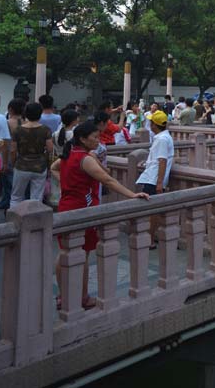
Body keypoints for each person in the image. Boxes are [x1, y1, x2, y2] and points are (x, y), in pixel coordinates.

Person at [52, 121, 149, 310]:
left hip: (66, 206)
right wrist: (132, 194)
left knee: (64, 252)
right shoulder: (85, 159)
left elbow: (54, 168)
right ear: (82, 139)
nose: (98, 140)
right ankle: (83, 297)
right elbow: (107, 180)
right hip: (83, 208)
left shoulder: (68, 153)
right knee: (83, 254)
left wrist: (66, 185)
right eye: (94, 137)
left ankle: (63, 296)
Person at [10, 102, 53, 208]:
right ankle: (35, 221)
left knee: (16, 196)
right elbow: (50, 149)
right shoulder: (46, 130)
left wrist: (14, 162)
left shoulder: (18, 130)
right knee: (37, 197)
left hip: (21, 165)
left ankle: (14, 219)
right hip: (39, 166)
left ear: (26, 113)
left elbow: (13, 150)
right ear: (40, 114)